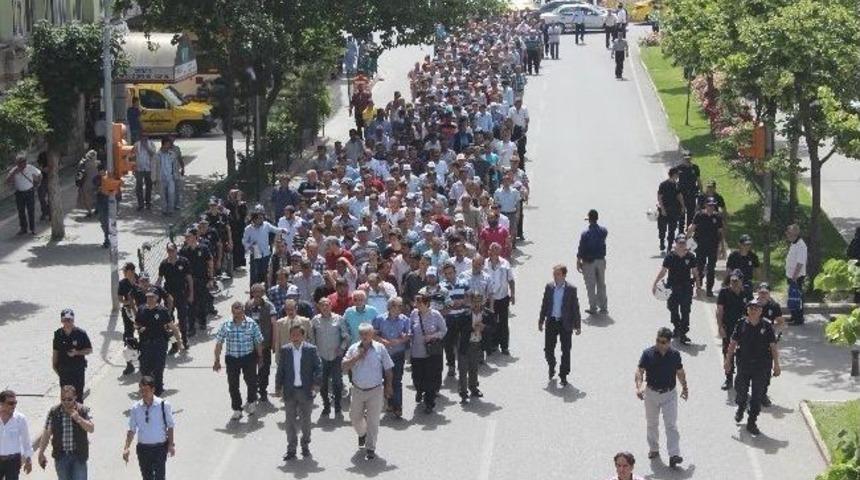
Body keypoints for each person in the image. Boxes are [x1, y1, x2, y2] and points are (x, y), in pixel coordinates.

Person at [724, 301, 781, 435]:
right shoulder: (741, 324)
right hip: (744, 364)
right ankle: (741, 406)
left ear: (761, 311)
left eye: (757, 308)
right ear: (747, 310)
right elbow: (732, 343)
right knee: (741, 390)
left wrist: (776, 365)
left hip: (761, 366)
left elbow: (773, 346)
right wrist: (728, 361)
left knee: (757, 395)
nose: (754, 310)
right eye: (751, 308)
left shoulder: (766, 326)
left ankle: (752, 421)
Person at [634, 327, 687, 468]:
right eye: (658, 340)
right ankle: (654, 449)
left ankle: (674, 455)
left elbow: (680, 372)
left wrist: (685, 387)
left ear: (669, 343)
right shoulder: (648, 353)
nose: (660, 344)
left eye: (663, 342)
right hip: (651, 393)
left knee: (671, 425)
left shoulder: (675, 355)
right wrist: (639, 386)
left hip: (669, 394)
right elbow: (639, 370)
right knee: (652, 423)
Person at [342, 323, 394, 460]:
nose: (365, 336)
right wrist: (357, 357)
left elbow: (388, 369)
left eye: (367, 334)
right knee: (354, 417)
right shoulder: (353, 348)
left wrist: (389, 386)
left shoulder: (380, 348)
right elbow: (344, 367)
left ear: (372, 335)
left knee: (373, 421)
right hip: (358, 390)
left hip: (375, 390)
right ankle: (362, 433)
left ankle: (370, 447)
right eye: (362, 334)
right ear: (359, 335)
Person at [275, 325, 322, 460]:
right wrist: (278, 387)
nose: (295, 337)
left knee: (306, 421)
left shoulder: (311, 350)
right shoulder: (285, 350)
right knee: (289, 422)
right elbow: (281, 370)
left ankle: (305, 445)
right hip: (290, 391)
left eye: (298, 335)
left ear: (303, 336)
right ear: (290, 336)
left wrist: (315, 384)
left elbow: (318, 368)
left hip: (306, 391)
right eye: (293, 335)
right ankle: (291, 449)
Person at [213, 301, 264, 420]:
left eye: (239, 312)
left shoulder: (252, 324)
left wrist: (260, 357)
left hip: (248, 357)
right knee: (233, 385)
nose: (237, 315)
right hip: (232, 359)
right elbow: (219, 343)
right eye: (235, 313)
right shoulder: (225, 324)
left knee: (251, 381)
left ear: (243, 311)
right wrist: (217, 360)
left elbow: (258, 341)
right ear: (232, 312)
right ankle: (237, 409)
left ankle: (251, 402)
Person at [539, 263, 584, 387]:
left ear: (564, 275)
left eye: (558, 274)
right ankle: (552, 365)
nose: (555, 276)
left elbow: (575, 308)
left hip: (565, 323)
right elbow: (545, 304)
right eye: (554, 274)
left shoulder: (571, 289)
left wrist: (578, 325)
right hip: (552, 321)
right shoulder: (549, 287)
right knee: (548, 349)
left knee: (566, 350)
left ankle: (563, 374)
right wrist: (541, 320)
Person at [122, 376, 176, 480]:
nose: (143, 393)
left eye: (146, 390)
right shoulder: (136, 408)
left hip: (160, 448)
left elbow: (170, 426)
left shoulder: (164, 405)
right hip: (143, 449)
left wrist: (171, 444)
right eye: (141, 390)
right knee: (147, 477)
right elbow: (132, 429)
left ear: (153, 390)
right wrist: (126, 447)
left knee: (160, 477)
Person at [36, 386, 94, 480]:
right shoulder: (54, 412)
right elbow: (47, 433)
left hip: (78, 456)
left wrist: (79, 419)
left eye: (69, 399)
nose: (66, 402)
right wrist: (41, 452)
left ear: (75, 397)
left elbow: (91, 428)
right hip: (61, 456)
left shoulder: (83, 410)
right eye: (63, 399)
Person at [651, 235, 699, 345]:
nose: (682, 245)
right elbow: (663, 271)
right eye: (680, 243)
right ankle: (677, 327)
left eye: (683, 243)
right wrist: (655, 284)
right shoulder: (670, 257)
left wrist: (699, 286)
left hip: (686, 288)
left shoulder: (691, 257)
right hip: (672, 288)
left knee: (686, 310)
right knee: (672, 309)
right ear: (676, 244)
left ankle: (683, 332)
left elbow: (695, 272)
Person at [136, 289, 180, 396]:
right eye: (148, 297)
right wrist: (139, 328)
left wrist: (179, 342)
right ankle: (147, 391)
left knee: (158, 369)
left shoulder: (162, 311)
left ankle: (158, 391)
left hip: (159, 344)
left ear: (157, 298)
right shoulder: (141, 309)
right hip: (145, 344)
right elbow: (136, 323)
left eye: (152, 297)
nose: (149, 299)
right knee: (145, 368)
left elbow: (172, 327)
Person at [372, 297, 411, 417]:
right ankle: (389, 402)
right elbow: (373, 334)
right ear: (390, 307)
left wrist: (400, 340)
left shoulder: (405, 319)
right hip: (383, 354)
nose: (400, 308)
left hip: (398, 353)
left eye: (401, 306)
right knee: (386, 379)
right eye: (397, 306)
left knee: (397, 380)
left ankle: (398, 406)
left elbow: (409, 335)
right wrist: (383, 340)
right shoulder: (380, 319)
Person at [311, 297, 350, 416]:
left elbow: (346, 336)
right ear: (319, 307)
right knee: (323, 383)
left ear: (330, 306)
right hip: (321, 356)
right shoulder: (315, 320)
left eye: (327, 304)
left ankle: (337, 405)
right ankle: (326, 405)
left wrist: (342, 348)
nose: (325, 307)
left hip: (335, 356)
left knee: (337, 382)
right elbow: (311, 338)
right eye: (322, 305)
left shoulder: (339, 319)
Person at [409, 293, 447, 413]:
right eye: (416, 302)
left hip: (431, 352)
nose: (417, 305)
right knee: (417, 376)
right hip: (416, 351)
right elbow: (410, 327)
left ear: (426, 303)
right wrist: (409, 334)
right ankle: (419, 390)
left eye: (419, 303)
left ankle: (429, 402)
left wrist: (432, 336)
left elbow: (444, 330)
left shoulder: (435, 315)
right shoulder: (414, 313)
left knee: (430, 378)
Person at [245, 283, 278, 402]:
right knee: (250, 370)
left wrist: (274, 343)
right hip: (251, 344)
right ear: (252, 293)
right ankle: (253, 389)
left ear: (263, 293)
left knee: (265, 369)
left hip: (265, 344)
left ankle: (262, 390)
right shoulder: (248, 305)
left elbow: (274, 324)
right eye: (255, 292)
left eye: (260, 292)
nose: (257, 294)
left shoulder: (269, 306)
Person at [52, 309, 93, 404]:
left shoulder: (81, 333)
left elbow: (89, 350)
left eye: (69, 320)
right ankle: (66, 416)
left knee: (78, 395)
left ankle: (80, 415)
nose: (67, 322)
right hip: (63, 370)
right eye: (65, 320)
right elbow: (55, 351)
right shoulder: (58, 334)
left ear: (73, 320)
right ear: (61, 320)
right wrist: (54, 366)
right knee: (65, 396)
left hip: (77, 370)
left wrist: (77, 352)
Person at [685, 198, 723, 296]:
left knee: (711, 268)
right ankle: (699, 284)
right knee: (699, 267)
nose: (711, 207)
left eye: (713, 205)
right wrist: (687, 240)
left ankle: (709, 288)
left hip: (712, 247)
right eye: (709, 205)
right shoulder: (699, 215)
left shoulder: (717, 217)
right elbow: (692, 228)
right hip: (700, 246)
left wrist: (721, 247)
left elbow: (720, 233)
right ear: (705, 205)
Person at [716, 270, 746, 390]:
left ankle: (742, 379)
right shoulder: (724, 292)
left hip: (744, 328)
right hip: (729, 327)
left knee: (744, 353)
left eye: (736, 281)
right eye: (732, 280)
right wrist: (720, 327)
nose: (733, 283)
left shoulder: (746, 292)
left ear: (741, 281)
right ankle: (728, 379)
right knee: (728, 352)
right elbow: (719, 311)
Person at [243, 212, 289, 287]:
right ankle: (253, 294)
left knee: (266, 275)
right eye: (260, 218)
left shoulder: (266, 225)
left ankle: (267, 292)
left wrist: (283, 230)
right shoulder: (248, 229)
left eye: (262, 218)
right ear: (254, 219)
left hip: (266, 255)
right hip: (255, 255)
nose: (262, 220)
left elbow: (275, 230)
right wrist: (250, 246)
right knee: (254, 276)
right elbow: (244, 241)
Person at [577, 209, 609, 314]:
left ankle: (593, 307)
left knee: (591, 285)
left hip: (589, 262)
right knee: (601, 284)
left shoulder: (585, 234)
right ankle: (603, 306)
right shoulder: (603, 231)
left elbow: (581, 249)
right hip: (601, 260)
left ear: (589, 220)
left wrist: (578, 260)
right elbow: (604, 234)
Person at [486, 242, 515, 354]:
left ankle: (504, 346)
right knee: (491, 322)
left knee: (503, 322)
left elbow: (511, 280)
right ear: (489, 251)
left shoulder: (505, 263)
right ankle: (493, 344)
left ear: (500, 251)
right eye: (492, 249)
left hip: (502, 297)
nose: (494, 251)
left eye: (496, 249)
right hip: (489, 299)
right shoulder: (484, 264)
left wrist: (512, 294)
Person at [0, 390, 33, 479]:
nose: (14, 406)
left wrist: (28, 459)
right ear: (2, 403)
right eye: (10, 403)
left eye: (15, 403)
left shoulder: (20, 419)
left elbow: (26, 440)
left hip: (13, 461)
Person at [5, 154, 41, 235]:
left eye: (23, 163)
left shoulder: (30, 167)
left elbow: (39, 174)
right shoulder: (14, 170)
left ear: (25, 162)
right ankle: (23, 228)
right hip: (19, 194)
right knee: (21, 211)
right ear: (17, 163)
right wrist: (14, 173)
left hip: (29, 192)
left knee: (31, 211)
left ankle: (33, 229)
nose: (22, 165)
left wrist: (37, 183)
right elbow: (7, 181)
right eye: (20, 163)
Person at [657, 167, 684, 254]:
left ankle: (669, 247)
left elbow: (679, 196)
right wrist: (663, 209)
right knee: (662, 228)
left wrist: (683, 206)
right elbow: (659, 197)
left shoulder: (676, 185)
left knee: (672, 229)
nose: (678, 176)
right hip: (665, 209)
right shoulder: (663, 184)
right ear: (674, 174)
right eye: (677, 174)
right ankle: (662, 242)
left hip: (674, 210)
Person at [784, 224, 807, 325]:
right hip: (791, 276)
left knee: (797, 298)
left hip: (796, 277)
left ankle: (798, 319)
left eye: (788, 233)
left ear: (795, 234)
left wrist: (794, 276)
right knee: (792, 297)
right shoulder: (794, 243)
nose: (787, 234)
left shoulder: (801, 245)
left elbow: (800, 263)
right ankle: (793, 316)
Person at [725, 234, 760, 299]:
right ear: (740, 244)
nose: (747, 246)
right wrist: (725, 282)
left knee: (749, 302)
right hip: (735, 282)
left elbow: (757, 270)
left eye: (749, 244)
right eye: (745, 244)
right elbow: (728, 269)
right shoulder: (733, 255)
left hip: (747, 283)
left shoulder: (753, 256)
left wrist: (759, 283)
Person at [675, 153, 701, 227]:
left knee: (691, 211)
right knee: (681, 210)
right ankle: (681, 229)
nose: (687, 160)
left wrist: (701, 192)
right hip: (681, 193)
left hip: (692, 192)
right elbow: (675, 180)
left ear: (691, 158)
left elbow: (698, 180)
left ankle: (688, 228)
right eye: (686, 158)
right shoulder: (679, 168)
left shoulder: (695, 168)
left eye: (689, 158)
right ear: (683, 158)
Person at [134, 133, 156, 211]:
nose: (144, 138)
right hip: (139, 169)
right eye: (142, 136)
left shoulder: (151, 144)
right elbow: (134, 155)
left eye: (145, 136)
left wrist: (146, 147)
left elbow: (153, 154)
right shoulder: (137, 144)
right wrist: (134, 168)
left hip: (148, 169)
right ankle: (140, 204)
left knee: (149, 187)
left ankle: (148, 203)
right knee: (139, 187)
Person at [156, 138, 178, 216]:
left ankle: (170, 210)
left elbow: (175, 166)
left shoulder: (172, 154)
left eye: (169, 144)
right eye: (167, 144)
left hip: (170, 177)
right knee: (163, 195)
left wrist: (176, 175)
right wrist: (154, 179)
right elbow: (154, 167)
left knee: (171, 193)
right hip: (161, 178)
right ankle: (164, 210)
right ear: (163, 144)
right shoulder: (157, 155)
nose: (169, 146)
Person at [75, 150, 98, 218]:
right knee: (95, 197)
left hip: (86, 183)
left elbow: (79, 173)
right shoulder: (97, 163)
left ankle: (89, 212)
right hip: (95, 183)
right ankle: (96, 210)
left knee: (86, 198)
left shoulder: (83, 163)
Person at [35, 152, 50, 222]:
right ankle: (44, 212)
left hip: (51, 179)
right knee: (41, 197)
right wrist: (42, 169)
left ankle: (50, 212)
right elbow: (39, 166)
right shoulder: (42, 155)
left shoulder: (53, 152)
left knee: (51, 197)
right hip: (42, 179)